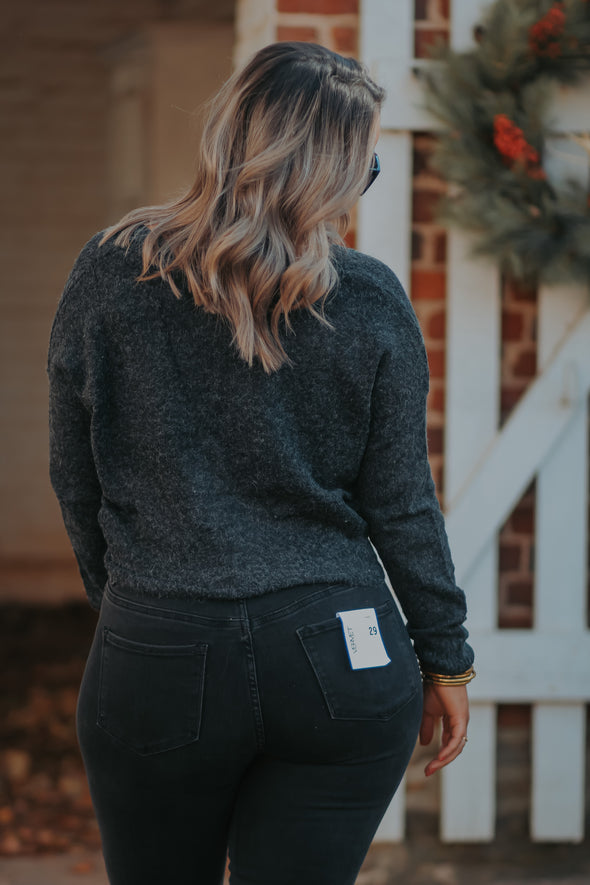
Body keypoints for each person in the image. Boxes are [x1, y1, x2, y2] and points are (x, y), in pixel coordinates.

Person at [47, 41, 474, 885]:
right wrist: (447, 658)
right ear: (334, 173)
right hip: (339, 660)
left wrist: (136, 605)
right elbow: (402, 504)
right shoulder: (372, 300)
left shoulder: (110, 273)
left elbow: (75, 473)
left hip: (160, 643)